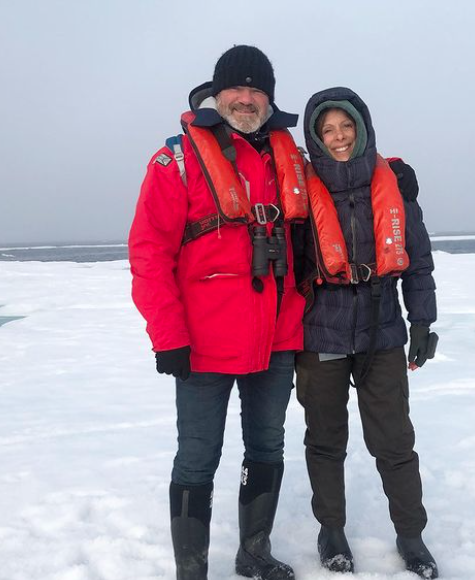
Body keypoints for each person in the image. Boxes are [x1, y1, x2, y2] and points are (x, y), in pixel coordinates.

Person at [128, 45, 308, 580]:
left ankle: (253, 553)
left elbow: (343, 172)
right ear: (216, 92)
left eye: (258, 90)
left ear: (270, 99)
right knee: (197, 457)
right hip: (202, 342)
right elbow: (148, 253)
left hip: (277, 335)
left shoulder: (288, 155)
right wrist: (167, 335)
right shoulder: (176, 160)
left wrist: (393, 170)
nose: (247, 98)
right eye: (237, 88)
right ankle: (192, 570)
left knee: (267, 446)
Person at [292, 87, 439, 578]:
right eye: (327, 129)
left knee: (395, 441)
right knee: (326, 440)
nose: (337, 137)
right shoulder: (298, 186)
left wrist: (423, 321)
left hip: (383, 330)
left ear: (361, 128)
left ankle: (411, 536)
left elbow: (417, 261)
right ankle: (331, 530)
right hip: (321, 334)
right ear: (315, 136)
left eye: (345, 127)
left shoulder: (393, 181)